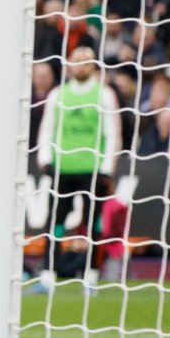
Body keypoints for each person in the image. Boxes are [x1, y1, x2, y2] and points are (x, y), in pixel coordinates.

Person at [35, 45, 120, 287]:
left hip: (92, 168)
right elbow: (48, 128)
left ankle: (92, 273)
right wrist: (45, 159)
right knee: (56, 221)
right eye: (76, 60)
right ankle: (49, 271)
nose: (80, 65)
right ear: (69, 64)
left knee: (93, 222)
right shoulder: (58, 95)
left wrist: (107, 167)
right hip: (63, 167)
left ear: (94, 66)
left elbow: (112, 132)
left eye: (86, 61)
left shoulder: (104, 94)